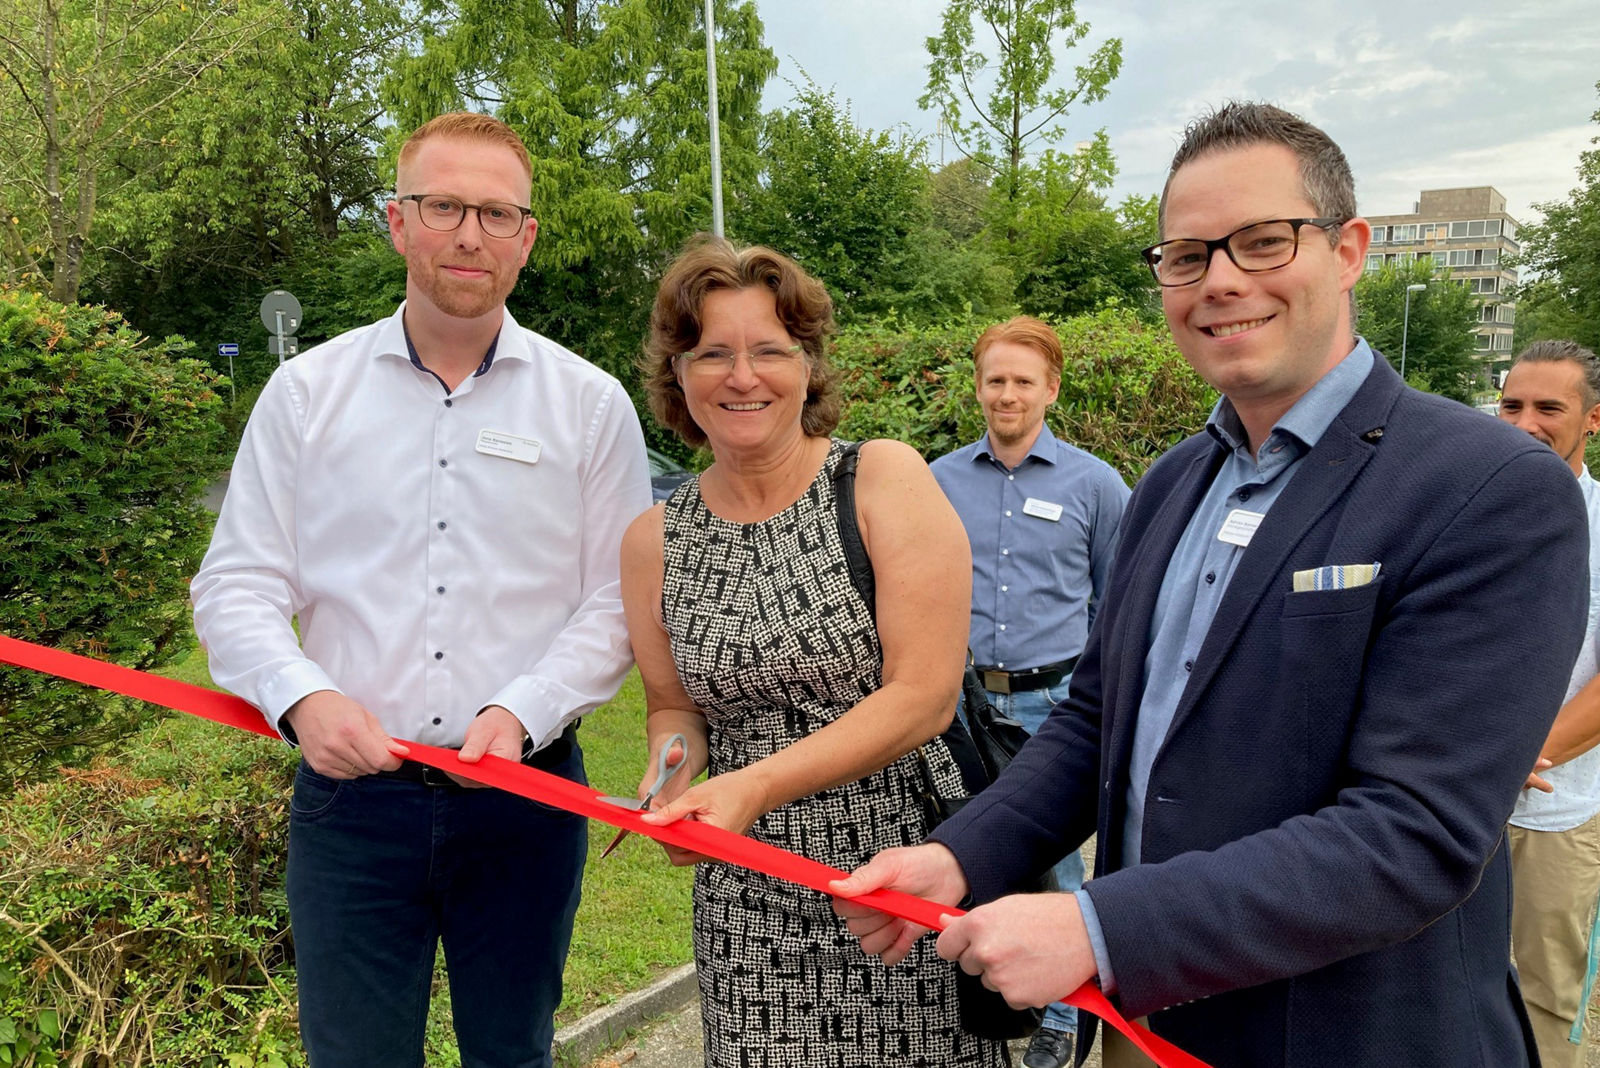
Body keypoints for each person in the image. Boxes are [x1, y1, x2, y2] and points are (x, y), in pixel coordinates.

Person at [833, 101, 1589, 1068]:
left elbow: (1415, 833)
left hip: (1345, 1037)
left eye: (1263, 242)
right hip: (1152, 1021)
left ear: (1348, 251)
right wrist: (961, 853)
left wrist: (1100, 928)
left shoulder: (1487, 487)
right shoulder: (1171, 484)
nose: (1221, 281)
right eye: (1187, 257)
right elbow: (1097, 722)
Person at [190, 112, 651, 1067]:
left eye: (496, 213)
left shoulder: (589, 405)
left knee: (512, 1055)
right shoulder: (307, 395)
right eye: (444, 207)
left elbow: (617, 602)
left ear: (527, 238)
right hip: (352, 806)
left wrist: (522, 711)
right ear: (399, 222)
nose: (469, 235)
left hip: (526, 798)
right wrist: (301, 697)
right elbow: (235, 583)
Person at [621, 235, 1006, 1067]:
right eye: (712, 353)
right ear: (678, 375)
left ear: (807, 365)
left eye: (768, 350)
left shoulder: (880, 479)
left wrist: (754, 786)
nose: (742, 376)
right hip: (747, 900)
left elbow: (924, 695)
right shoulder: (654, 540)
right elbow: (672, 707)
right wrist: (671, 770)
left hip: (899, 883)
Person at [930, 314, 1129, 1068]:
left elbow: (1120, 603)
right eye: (994, 380)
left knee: (1057, 864)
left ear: (1051, 388)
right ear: (978, 386)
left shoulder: (1095, 485)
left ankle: (1062, 1017)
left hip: (1056, 705)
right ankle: (979, 1006)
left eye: (1022, 381)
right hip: (958, 704)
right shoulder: (937, 480)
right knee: (964, 849)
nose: (1006, 395)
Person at [1500, 340, 1600, 1068]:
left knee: (1542, 998)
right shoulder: (1464, 510)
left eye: (1548, 408)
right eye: (1511, 406)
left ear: (1593, 419)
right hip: (1445, 804)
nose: (1524, 423)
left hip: (1551, 813)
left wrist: (1519, 759)